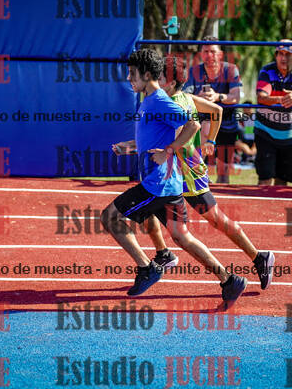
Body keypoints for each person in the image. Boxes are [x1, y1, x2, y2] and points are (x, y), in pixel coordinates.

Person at [103, 48, 247, 303]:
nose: (128, 78)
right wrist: (131, 147)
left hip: (156, 185)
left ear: (147, 74)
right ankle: (229, 280)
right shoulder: (149, 100)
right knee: (182, 237)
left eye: (132, 74)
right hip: (168, 184)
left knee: (109, 216)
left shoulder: (158, 100)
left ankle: (147, 268)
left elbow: (192, 124)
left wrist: (169, 151)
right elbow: (156, 136)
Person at [144, 56, 275, 290]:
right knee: (146, 207)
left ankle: (259, 257)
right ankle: (163, 253)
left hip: (189, 175)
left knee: (217, 220)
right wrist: (211, 141)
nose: (155, 80)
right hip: (172, 174)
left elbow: (182, 134)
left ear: (171, 83)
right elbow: (216, 110)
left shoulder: (174, 104)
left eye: (160, 77)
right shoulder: (184, 98)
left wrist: (162, 146)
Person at [183, 36, 243, 183]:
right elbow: (184, 96)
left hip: (227, 123)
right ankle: (199, 176)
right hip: (202, 122)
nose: (209, 55)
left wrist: (217, 96)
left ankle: (219, 192)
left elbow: (236, 97)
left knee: (223, 175)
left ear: (220, 54)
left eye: (213, 51)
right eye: (206, 51)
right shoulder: (193, 71)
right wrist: (200, 97)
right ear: (201, 54)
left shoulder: (231, 69)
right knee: (205, 126)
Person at [255, 39, 292, 186]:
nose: (283, 58)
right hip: (265, 133)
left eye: (288, 54)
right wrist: (283, 99)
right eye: (280, 53)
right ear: (276, 55)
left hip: (290, 136)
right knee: (265, 179)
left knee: (282, 181)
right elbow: (261, 97)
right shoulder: (267, 71)